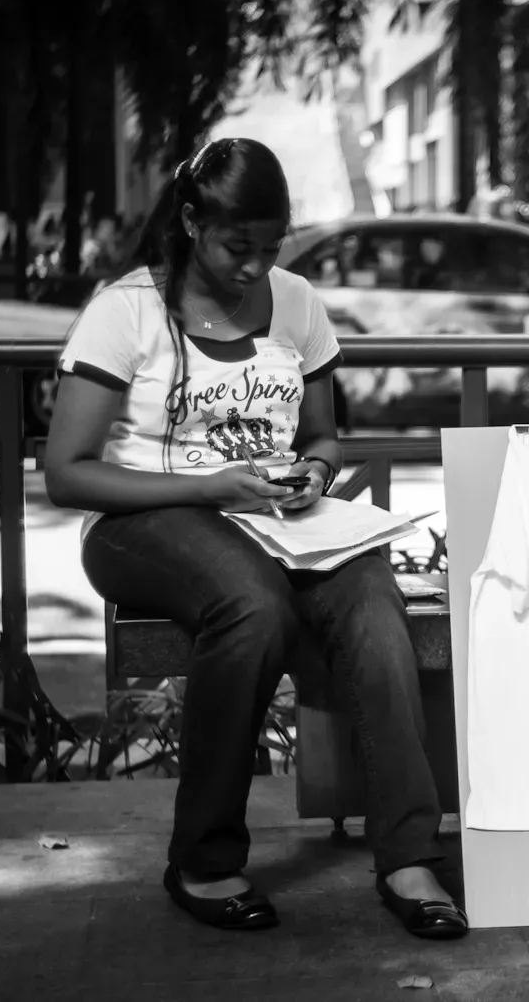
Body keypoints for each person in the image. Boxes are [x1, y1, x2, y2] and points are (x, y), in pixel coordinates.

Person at [43, 137, 467, 940]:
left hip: (276, 520)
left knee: (375, 602)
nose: (255, 266)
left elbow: (323, 438)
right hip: (145, 523)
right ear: (193, 221)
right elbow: (66, 473)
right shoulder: (126, 309)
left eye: (271, 247)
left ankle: (409, 856)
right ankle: (203, 860)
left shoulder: (297, 302)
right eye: (240, 246)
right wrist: (209, 486)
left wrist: (313, 472)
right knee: (252, 604)